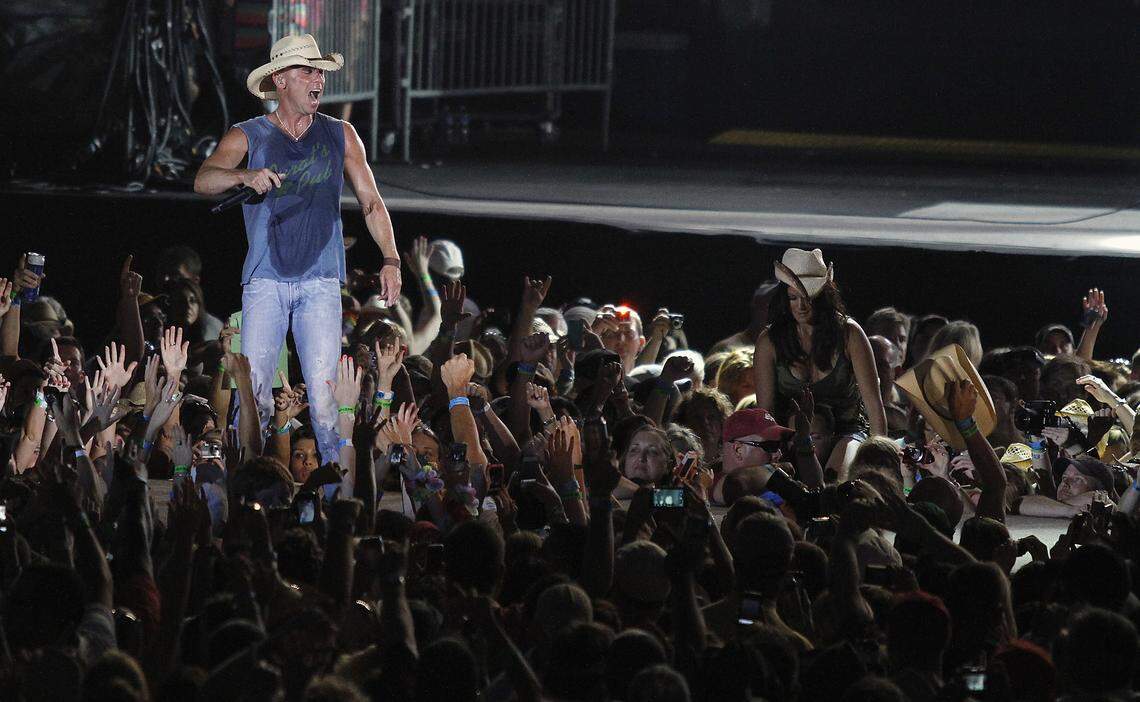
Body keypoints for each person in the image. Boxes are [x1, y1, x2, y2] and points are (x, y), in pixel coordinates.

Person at [193, 34, 401, 463]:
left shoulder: (341, 134)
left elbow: (371, 202)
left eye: (320, 71)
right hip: (265, 280)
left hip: (321, 281)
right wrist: (244, 176)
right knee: (255, 395)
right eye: (307, 70)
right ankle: (246, 489)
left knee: (325, 400)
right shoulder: (248, 134)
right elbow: (204, 180)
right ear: (281, 80)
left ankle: (334, 496)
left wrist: (391, 258)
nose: (318, 79)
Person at [754, 248, 887, 477]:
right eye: (793, 298)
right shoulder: (769, 341)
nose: (801, 306)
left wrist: (881, 464)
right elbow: (766, 412)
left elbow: (874, 407)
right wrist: (769, 455)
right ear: (784, 299)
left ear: (823, 297)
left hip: (847, 432)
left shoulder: (849, 334)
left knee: (838, 478)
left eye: (809, 298)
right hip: (792, 435)